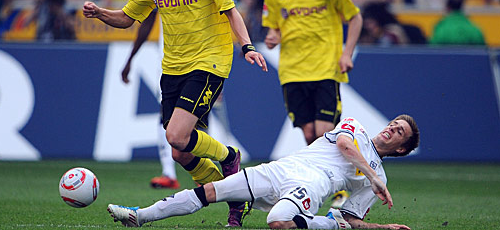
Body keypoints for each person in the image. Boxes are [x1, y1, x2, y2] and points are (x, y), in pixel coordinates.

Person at [83, 0, 267, 226]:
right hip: (173, 67)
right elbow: (128, 18)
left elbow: (231, 12)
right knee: (180, 153)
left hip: (210, 61)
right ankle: (237, 197)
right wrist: (100, 13)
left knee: (176, 136)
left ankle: (229, 155)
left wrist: (246, 47)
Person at [107, 114, 420, 229]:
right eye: (393, 123)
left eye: (399, 132)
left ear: (402, 149)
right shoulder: (358, 129)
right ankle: (140, 216)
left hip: (312, 184)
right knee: (213, 191)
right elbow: (344, 146)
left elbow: (353, 219)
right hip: (283, 168)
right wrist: (373, 177)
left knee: (278, 223)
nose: (392, 128)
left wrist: (384, 227)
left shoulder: (379, 179)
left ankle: (327, 225)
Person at [119, 0, 238, 191]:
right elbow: (145, 18)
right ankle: (219, 186)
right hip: (171, 61)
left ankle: (229, 160)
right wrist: (131, 57)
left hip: (206, 61)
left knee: (190, 126)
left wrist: (241, 45)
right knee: (175, 136)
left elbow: (230, 8)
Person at [263, 0, 362, 146]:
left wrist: (347, 54)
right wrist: (273, 36)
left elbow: (355, 17)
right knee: (309, 135)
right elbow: (274, 26)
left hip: (325, 67)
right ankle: (321, 177)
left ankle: (332, 176)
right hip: (292, 70)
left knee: (323, 132)